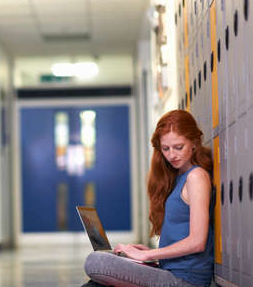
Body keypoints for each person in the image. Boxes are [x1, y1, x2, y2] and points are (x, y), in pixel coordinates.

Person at [83, 110, 214, 287]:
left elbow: (197, 242)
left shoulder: (196, 176)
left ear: (194, 142)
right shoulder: (176, 178)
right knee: (100, 276)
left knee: (96, 262)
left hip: (186, 280)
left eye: (178, 147)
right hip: (167, 269)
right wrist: (149, 251)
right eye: (165, 149)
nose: (171, 155)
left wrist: (147, 255)